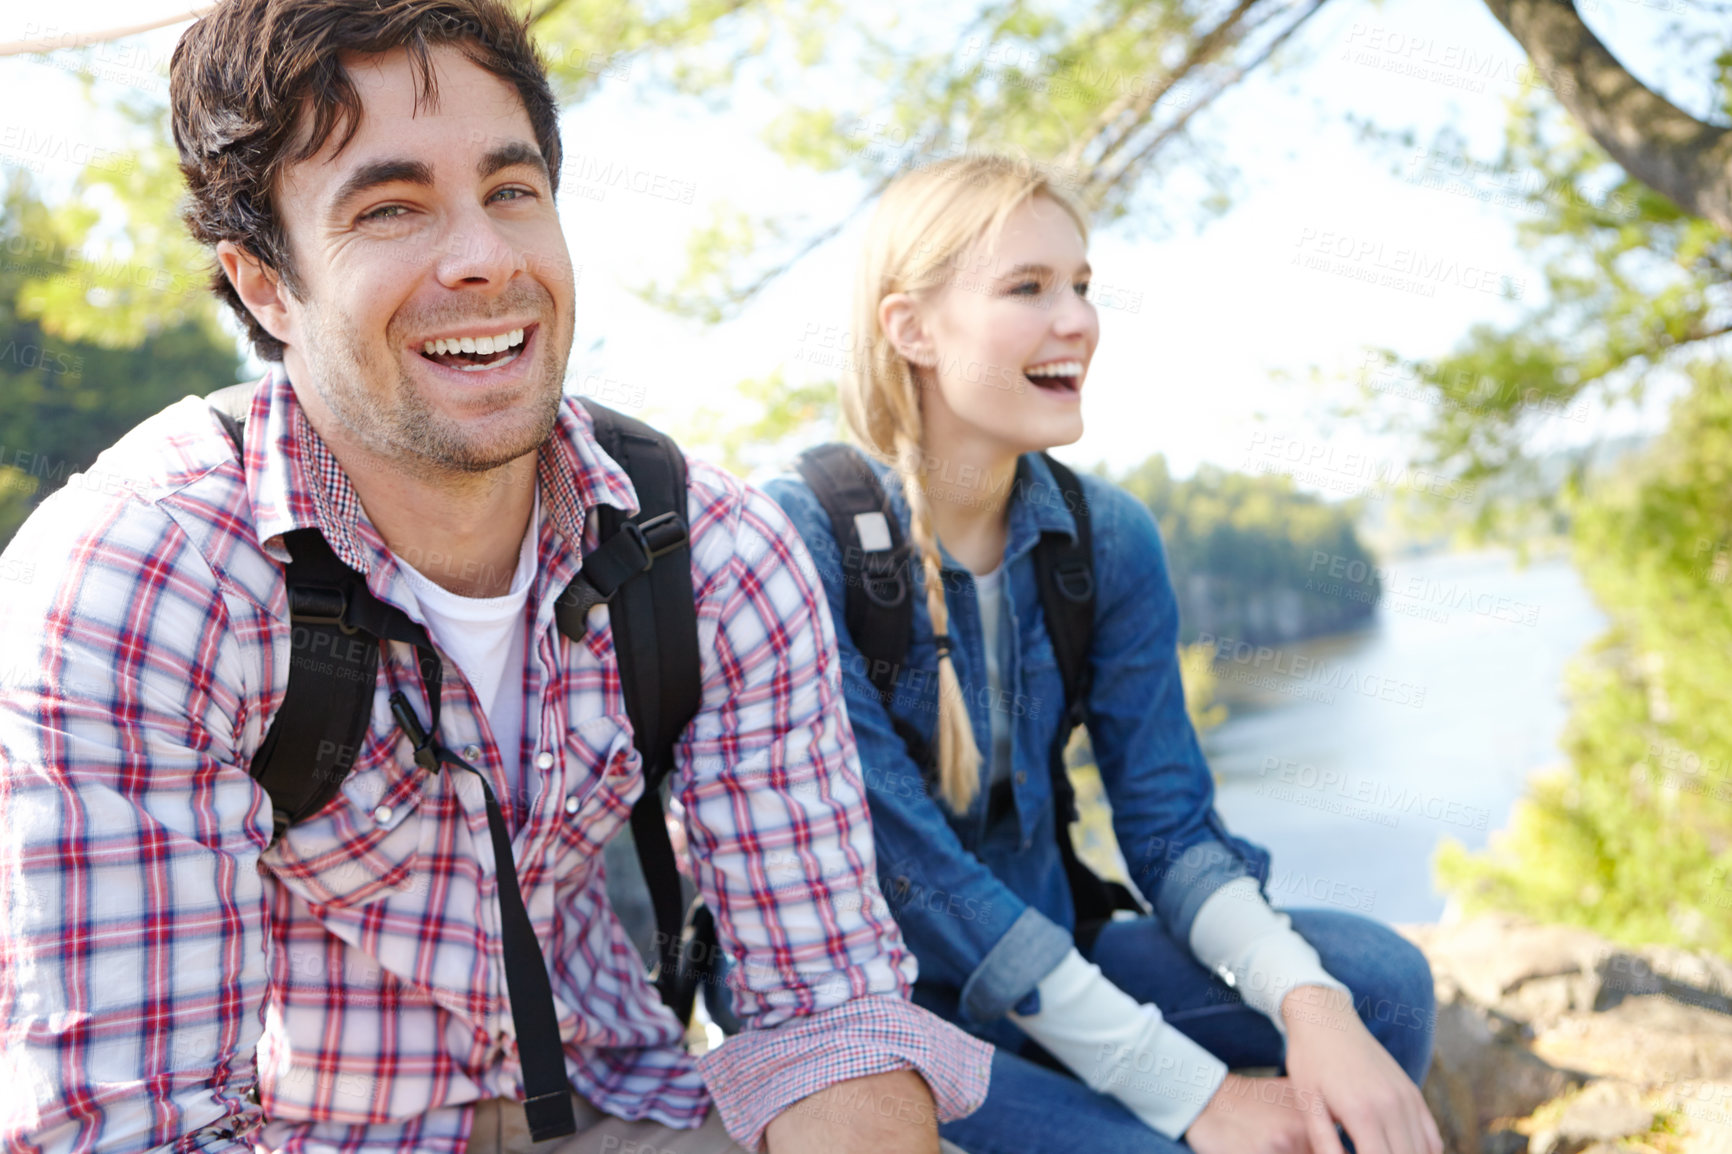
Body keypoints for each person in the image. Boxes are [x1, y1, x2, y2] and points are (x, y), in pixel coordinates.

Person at [0, 3, 992, 1152]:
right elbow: (133, 1130)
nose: (484, 257)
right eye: (390, 207)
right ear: (265, 283)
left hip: (609, 1099)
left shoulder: (711, 552)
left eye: (512, 191)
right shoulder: (141, 583)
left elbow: (831, 1020)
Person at [764, 153, 1446, 1154]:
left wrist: (1308, 1004)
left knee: (1374, 988)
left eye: (1080, 285)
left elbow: (1169, 831)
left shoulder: (1107, 539)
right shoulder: (802, 540)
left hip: (1058, 956)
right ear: (909, 327)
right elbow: (928, 885)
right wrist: (1195, 1095)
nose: (1077, 319)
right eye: (1027, 288)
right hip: (881, 1022)